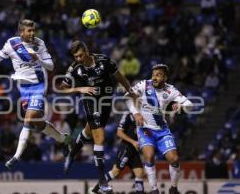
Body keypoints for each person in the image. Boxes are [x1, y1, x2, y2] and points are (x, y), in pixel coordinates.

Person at [0, 19, 71, 169]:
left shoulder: (39, 44)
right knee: (36, 123)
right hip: (24, 88)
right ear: (21, 32)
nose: (32, 33)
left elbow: (51, 67)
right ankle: (63, 140)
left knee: (28, 118)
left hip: (39, 85)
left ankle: (16, 156)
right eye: (29, 31)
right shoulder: (11, 44)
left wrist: (38, 59)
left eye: (33, 30)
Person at [58, 40, 136, 194]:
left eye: (81, 55)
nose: (79, 59)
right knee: (99, 138)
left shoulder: (104, 60)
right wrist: (81, 88)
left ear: (87, 51)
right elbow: (62, 88)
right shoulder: (74, 68)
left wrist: (130, 90)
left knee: (88, 131)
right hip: (89, 101)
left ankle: (71, 155)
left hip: (106, 101)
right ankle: (102, 181)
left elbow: (119, 76)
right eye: (76, 57)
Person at [126, 64, 193, 194]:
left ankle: (173, 188)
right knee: (149, 156)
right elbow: (127, 97)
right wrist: (136, 113)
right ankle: (154, 190)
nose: (154, 78)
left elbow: (189, 104)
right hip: (145, 129)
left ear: (165, 77)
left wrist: (180, 106)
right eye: (153, 75)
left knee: (174, 159)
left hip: (162, 130)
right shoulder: (144, 84)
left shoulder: (171, 90)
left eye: (158, 75)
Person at [89, 112, 145, 194]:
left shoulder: (145, 114)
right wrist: (133, 142)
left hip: (134, 150)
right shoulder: (128, 115)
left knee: (139, 173)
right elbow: (119, 133)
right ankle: (95, 190)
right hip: (126, 148)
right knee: (115, 172)